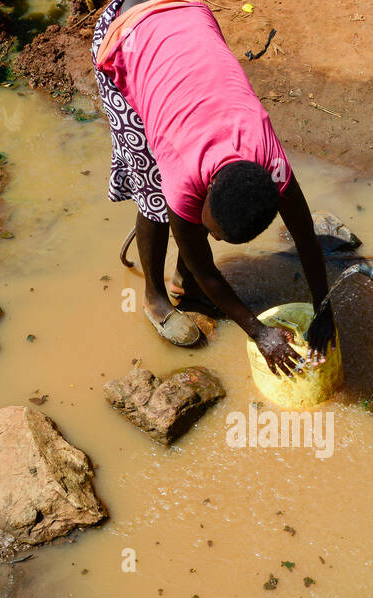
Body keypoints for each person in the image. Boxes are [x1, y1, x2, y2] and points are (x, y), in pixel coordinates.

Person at [92, 0, 333, 375]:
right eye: (214, 232)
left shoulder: (271, 163)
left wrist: (324, 309)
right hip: (127, 36)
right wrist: (258, 332)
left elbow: (306, 238)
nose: (214, 241)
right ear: (204, 194)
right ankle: (155, 296)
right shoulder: (184, 178)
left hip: (188, 17)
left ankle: (181, 281)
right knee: (153, 198)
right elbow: (207, 268)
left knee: (187, 234)